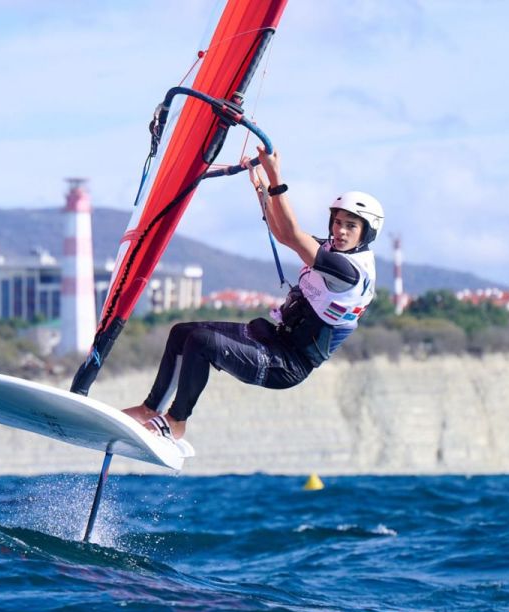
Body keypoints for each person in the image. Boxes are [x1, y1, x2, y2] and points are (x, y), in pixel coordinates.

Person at [122, 145, 384, 441]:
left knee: (201, 342)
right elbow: (282, 234)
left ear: (367, 232)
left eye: (351, 226)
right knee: (182, 332)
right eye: (337, 222)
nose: (341, 231)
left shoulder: (349, 272)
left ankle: (175, 422)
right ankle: (150, 409)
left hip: (285, 364)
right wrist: (260, 187)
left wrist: (275, 175)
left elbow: (293, 235)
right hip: (272, 339)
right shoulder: (331, 249)